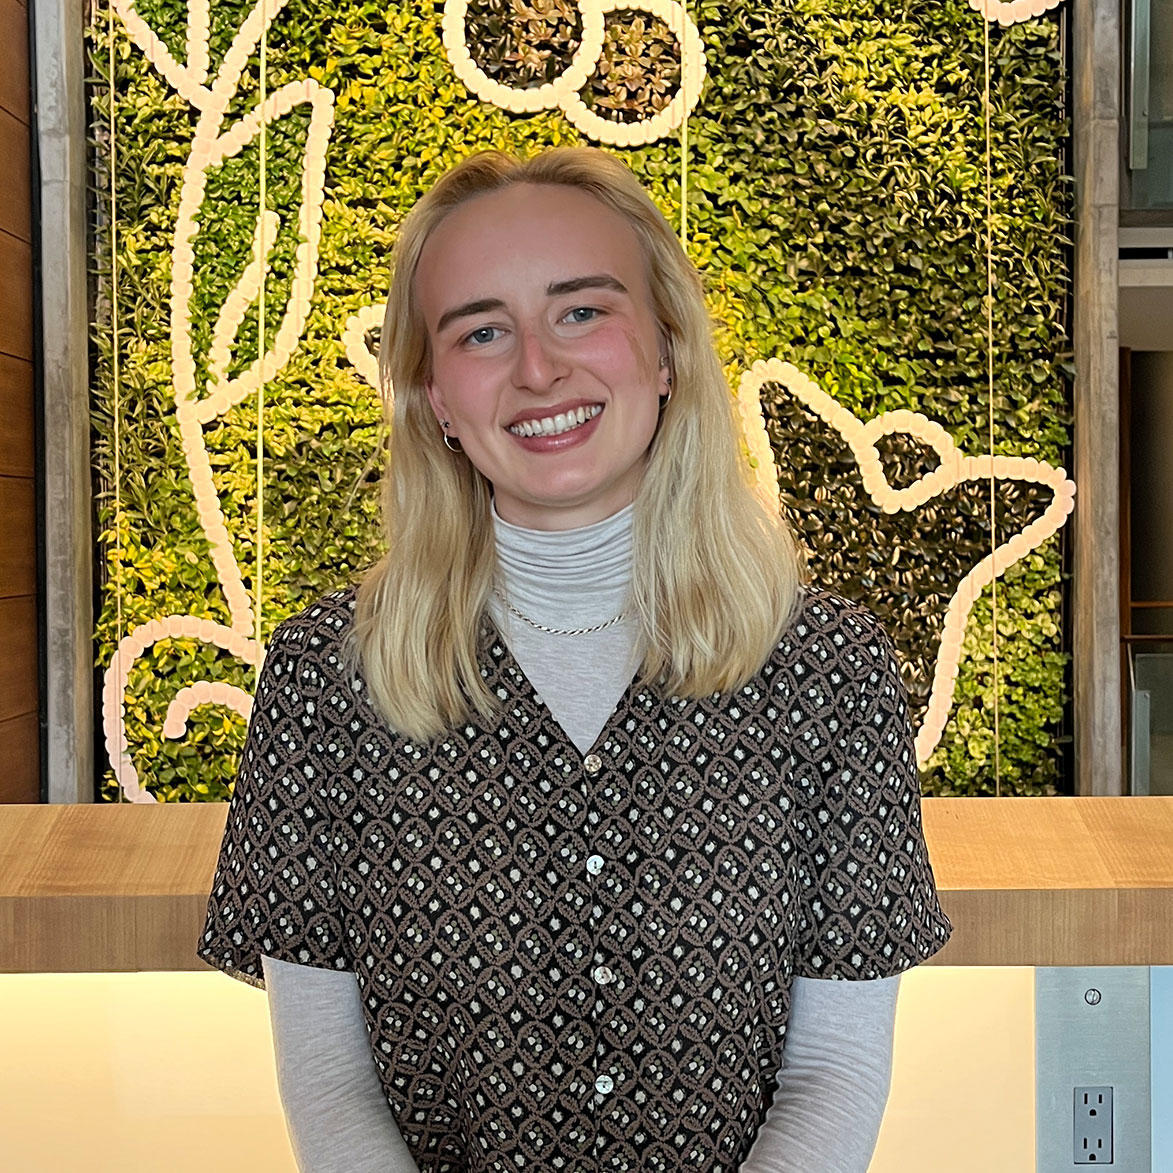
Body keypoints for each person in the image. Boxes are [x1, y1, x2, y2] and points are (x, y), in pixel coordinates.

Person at [199, 146, 952, 1172]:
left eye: (583, 311)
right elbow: (330, 1088)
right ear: (434, 398)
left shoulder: (827, 671)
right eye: (481, 331)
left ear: (667, 352)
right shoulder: (327, 681)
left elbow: (834, 1072)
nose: (538, 369)